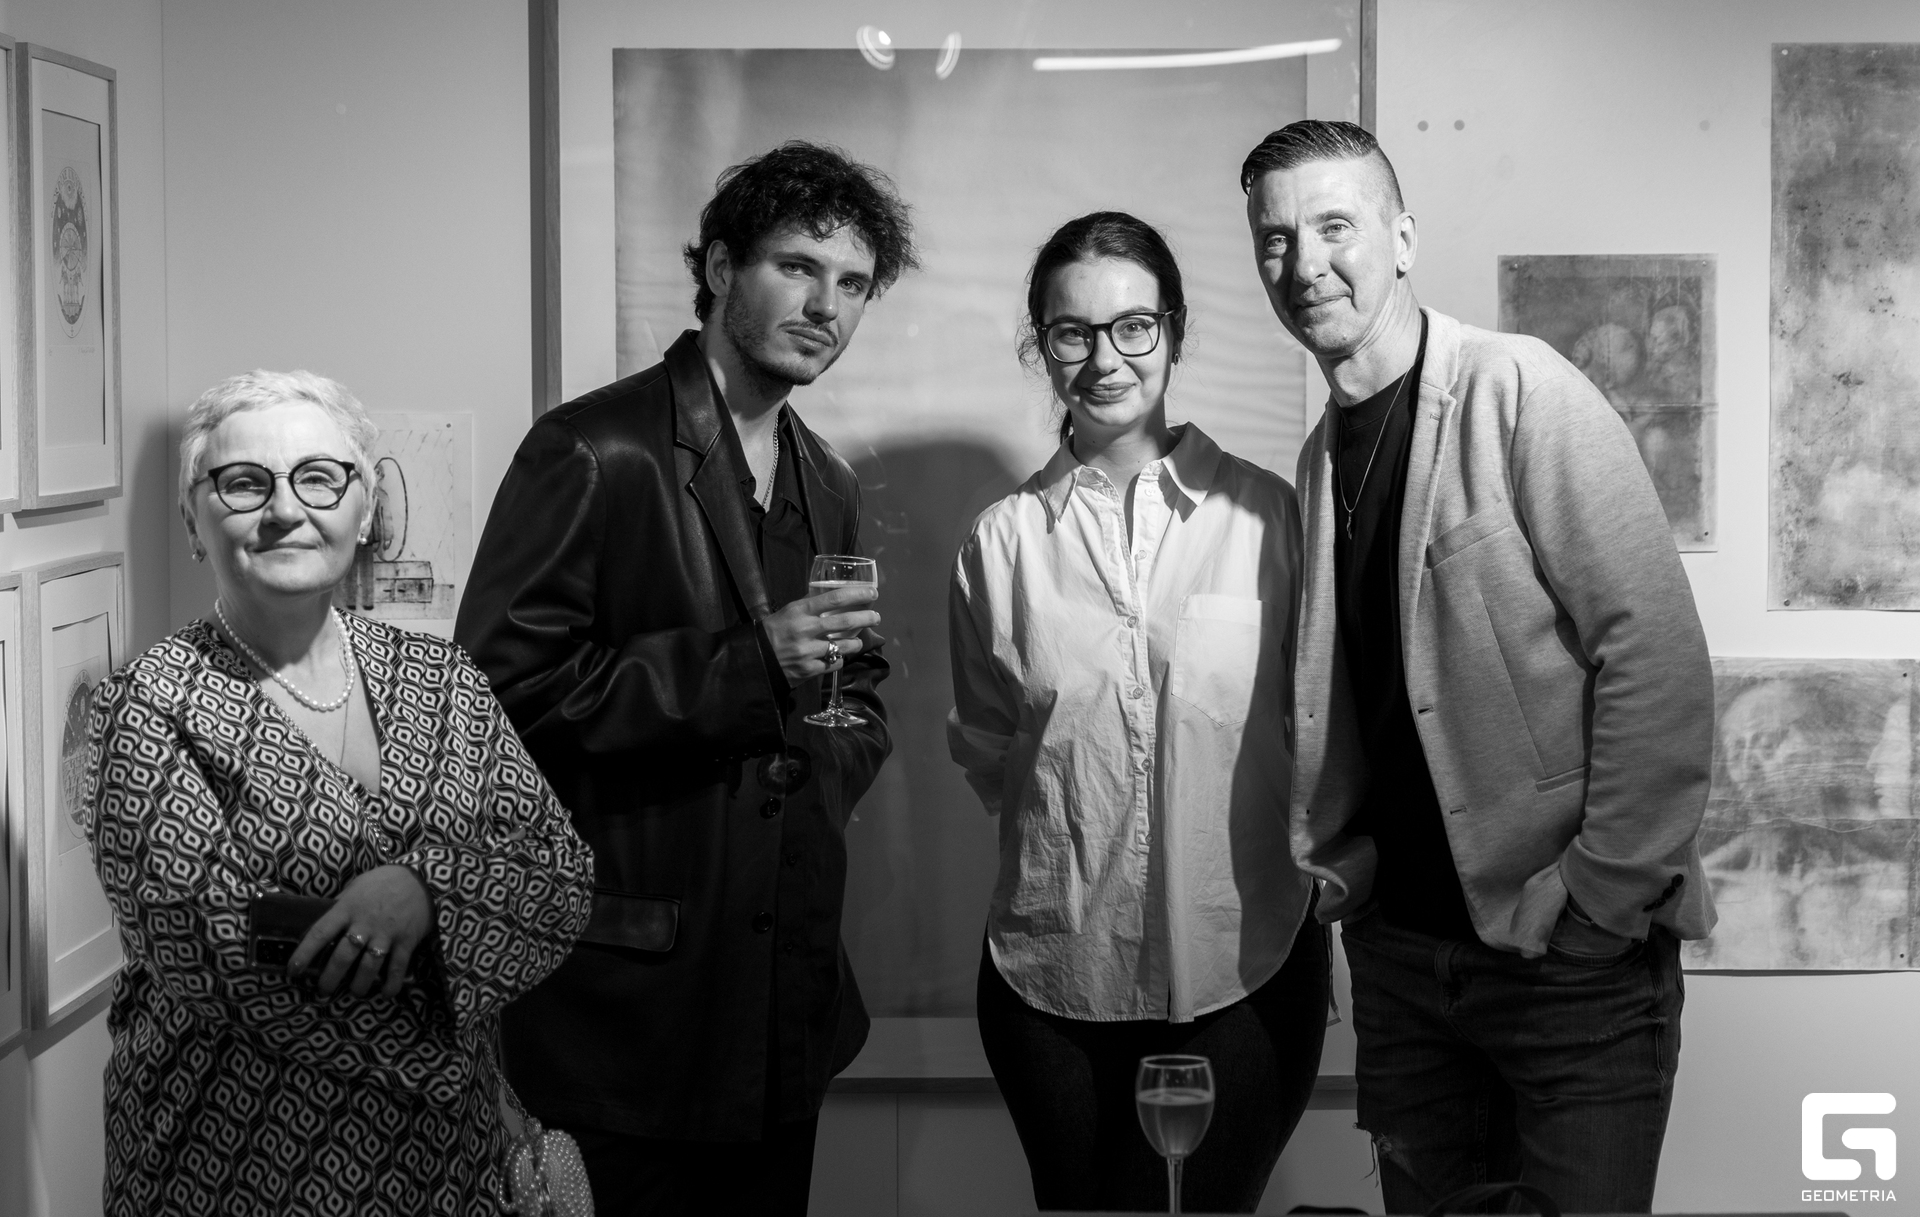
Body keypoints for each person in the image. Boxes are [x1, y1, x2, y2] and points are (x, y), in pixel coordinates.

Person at [1242, 120, 1715, 1213]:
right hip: (1405, 968)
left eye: (1335, 226)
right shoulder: (1317, 458)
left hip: (1567, 968)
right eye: (1275, 239)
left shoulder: (1520, 389)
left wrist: (1601, 902)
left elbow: (1655, 657)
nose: (1306, 264)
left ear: (1403, 240)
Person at [455, 140, 916, 1215]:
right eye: (798, 267)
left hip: (783, 1005)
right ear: (717, 267)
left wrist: (836, 758)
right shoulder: (592, 448)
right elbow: (499, 697)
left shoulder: (826, 478)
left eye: (853, 284)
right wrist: (753, 665)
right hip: (628, 1017)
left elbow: (854, 681)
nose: (827, 306)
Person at [86, 370, 594, 1216]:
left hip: (447, 1170)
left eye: (319, 478)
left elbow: (559, 874)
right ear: (190, 519)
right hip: (228, 1162)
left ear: (364, 512)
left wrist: (425, 892)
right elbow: (207, 944)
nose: (285, 509)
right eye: (244, 483)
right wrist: (447, 1039)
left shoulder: (439, 676)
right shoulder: (147, 703)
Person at [947, 212, 1327, 1213]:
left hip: (1244, 961)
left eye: (1133, 326)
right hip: (1053, 970)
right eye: (1072, 332)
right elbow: (991, 750)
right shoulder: (998, 544)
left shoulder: (1270, 518)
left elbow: (1320, 726)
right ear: (1042, 345)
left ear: (1175, 331)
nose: (1105, 358)